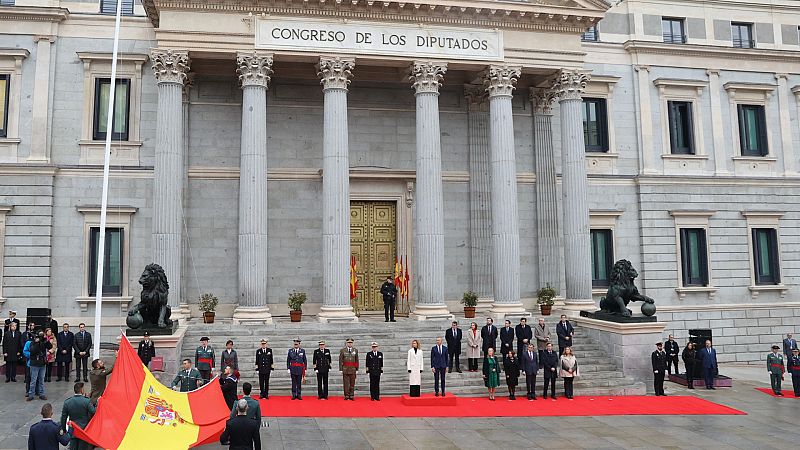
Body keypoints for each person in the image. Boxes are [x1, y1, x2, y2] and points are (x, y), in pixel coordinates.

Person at [60, 382, 95, 450]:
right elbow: (93, 411)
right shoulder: (86, 401)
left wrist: (64, 430)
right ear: (82, 390)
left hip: (72, 431)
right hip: (83, 431)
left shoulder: (67, 402)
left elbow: (63, 418)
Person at [25, 330, 52, 401]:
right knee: (33, 380)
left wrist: (46, 340)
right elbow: (33, 351)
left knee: (41, 380)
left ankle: (41, 394)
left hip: (42, 364)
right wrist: (37, 342)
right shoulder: (32, 343)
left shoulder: (43, 342)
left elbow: (50, 347)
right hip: (34, 364)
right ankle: (31, 394)